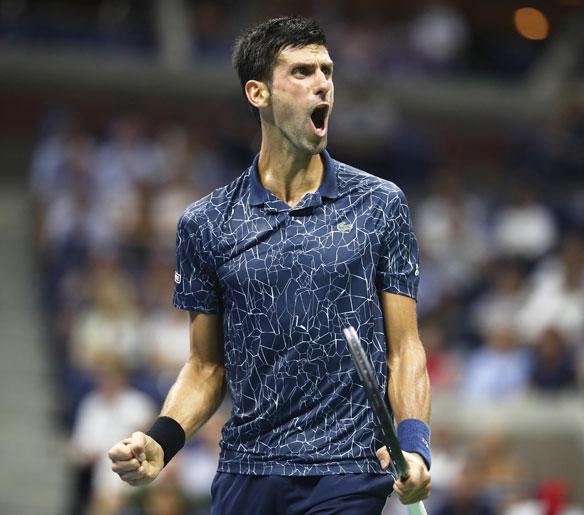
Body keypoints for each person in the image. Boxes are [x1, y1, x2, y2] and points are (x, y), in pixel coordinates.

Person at [108, 15, 431, 514]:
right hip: (246, 474)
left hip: (346, 473)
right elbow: (206, 366)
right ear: (258, 93)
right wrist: (161, 441)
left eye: (326, 70)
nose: (323, 82)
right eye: (302, 72)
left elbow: (405, 349)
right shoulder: (207, 223)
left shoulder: (380, 204)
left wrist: (414, 443)